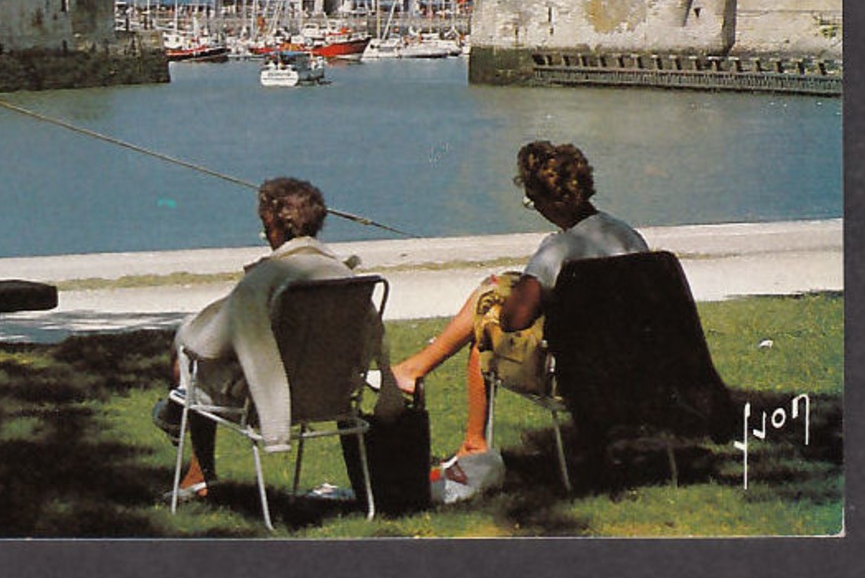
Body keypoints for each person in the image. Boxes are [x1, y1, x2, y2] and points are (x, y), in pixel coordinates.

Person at [388, 140, 649, 503]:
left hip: (574, 375)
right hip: (632, 369)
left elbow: (515, 320)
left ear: (544, 201)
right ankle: (414, 370)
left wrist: (499, 304)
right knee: (496, 287)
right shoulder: (626, 235)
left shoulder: (558, 249)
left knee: (486, 329)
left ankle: (472, 443)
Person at [157, 177, 395, 504]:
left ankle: (199, 464)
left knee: (189, 351)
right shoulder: (344, 275)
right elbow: (370, 338)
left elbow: (211, 344)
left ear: (275, 228)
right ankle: (177, 416)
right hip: (334, 392)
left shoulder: (267, 279)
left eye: (265, 229)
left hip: (265, 400)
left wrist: (188, 332)